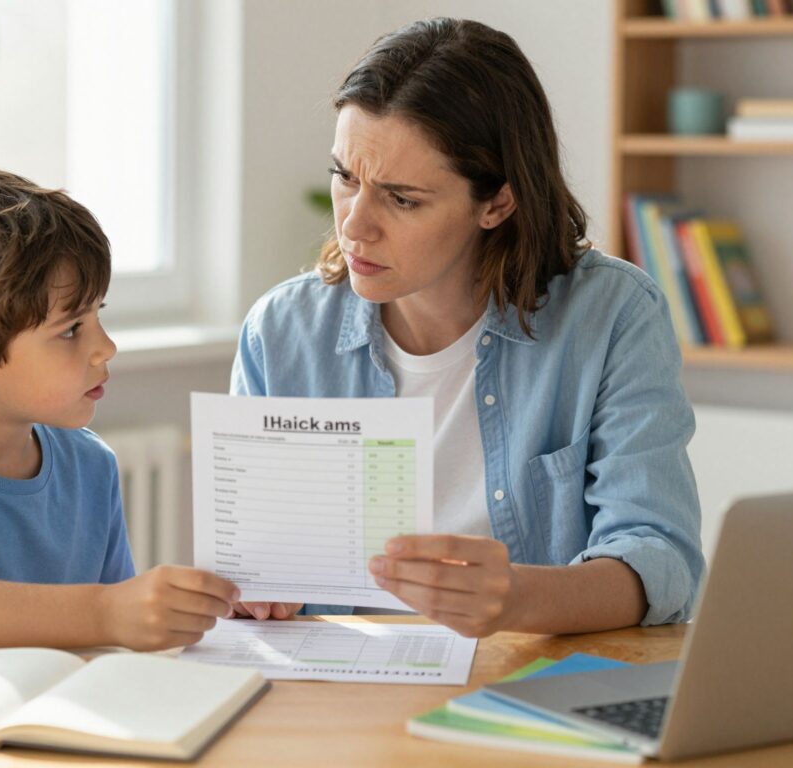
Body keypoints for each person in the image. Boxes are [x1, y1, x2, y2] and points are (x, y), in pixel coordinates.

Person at [231, 18, 704, 637]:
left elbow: (660, 559)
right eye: (346, 177)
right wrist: (258, 590)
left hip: (533, 674)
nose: (353, 226)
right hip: (343, 679)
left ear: (497, 202)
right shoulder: (281, 333)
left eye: (402, 199)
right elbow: (259, 568)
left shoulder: (612, 315)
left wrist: (517, 598)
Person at [0, 169, 239, 650]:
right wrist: (104, 612)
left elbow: (111, 646)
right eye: (70, 330)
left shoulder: (91, 464)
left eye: (98, 315)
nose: (106, 347)